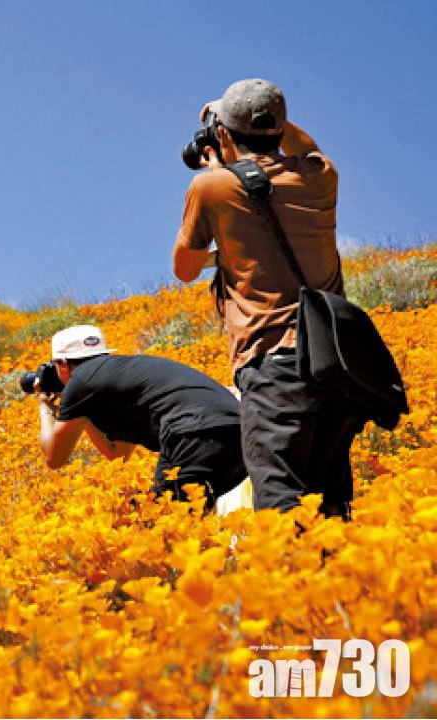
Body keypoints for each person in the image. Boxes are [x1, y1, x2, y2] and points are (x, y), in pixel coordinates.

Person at [172, 78, 361, 519]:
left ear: (222, 134)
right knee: (332, 506)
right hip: (335, 363)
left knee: (280, 501)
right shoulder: (321, 177)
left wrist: (216, 172)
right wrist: (262, 119)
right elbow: (307, 147)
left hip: (274, 361)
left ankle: (291, 569)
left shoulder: (212, 188)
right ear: (280, 126)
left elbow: (184, 268)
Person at [32, 325, 247, 509]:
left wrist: (44, 405)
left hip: (192, 433)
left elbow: (54, 458)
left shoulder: (81, 379)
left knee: (165, 522)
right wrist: (82, 412)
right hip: (241, 432)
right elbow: (117, 455)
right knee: (193, 520)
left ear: (63, 365)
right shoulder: (123, 374)